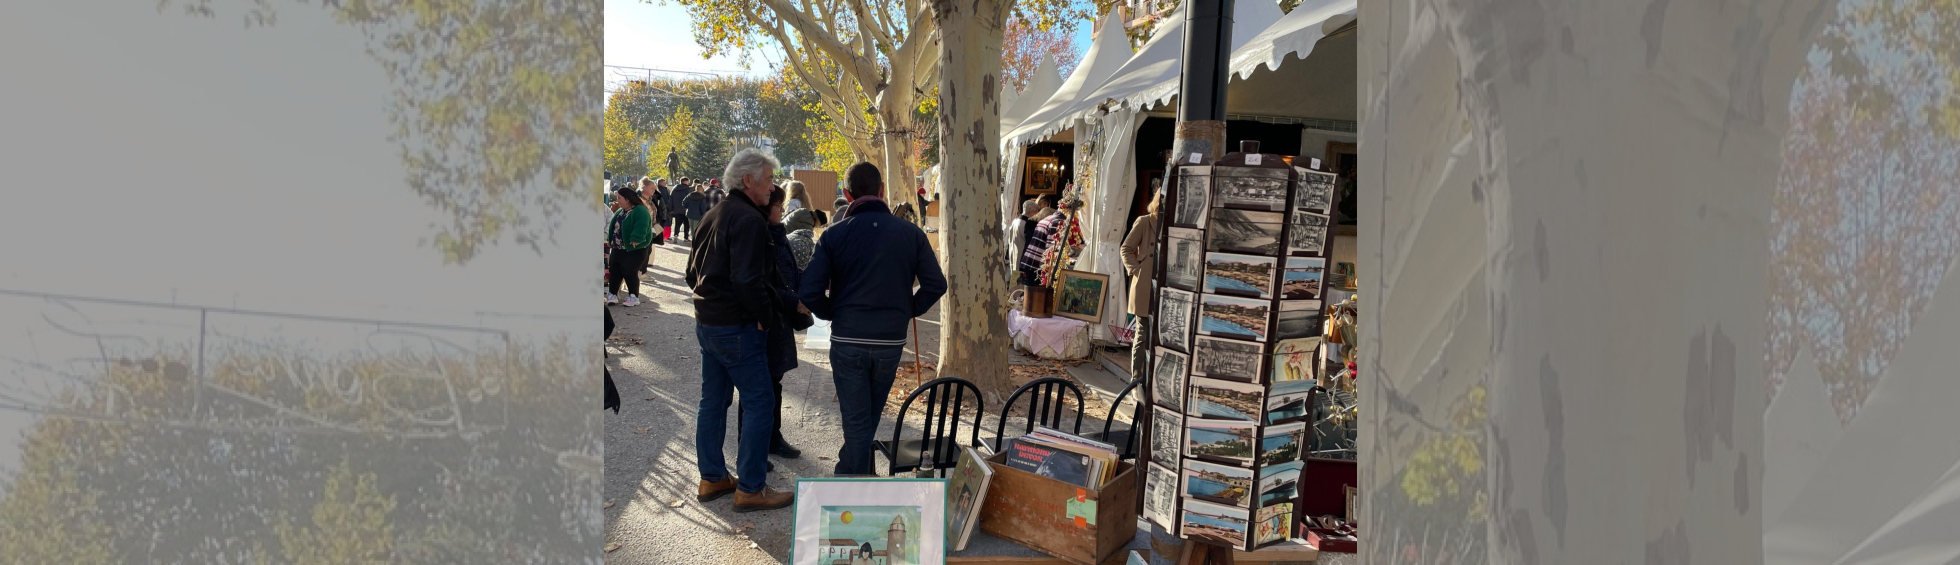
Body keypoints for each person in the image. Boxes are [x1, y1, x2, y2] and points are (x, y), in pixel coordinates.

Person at [798, 162, 947, 476]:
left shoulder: (834, 234)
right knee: (868, 415)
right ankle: (858, 474)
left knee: (857, 418)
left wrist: (832, 312)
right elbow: (936, 284)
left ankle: (850, 479)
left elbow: (809, 290)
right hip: (889, 341)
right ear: (881, 191)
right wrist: (906, 310)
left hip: (848, 338)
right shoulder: (911, 234)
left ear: (847, 194)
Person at [684, 148, 796, 512]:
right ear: (748, 180)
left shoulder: (714, 214)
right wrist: (763, 314)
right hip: (736, 326)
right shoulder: (748, 219)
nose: (772, 187)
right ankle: (750, 488)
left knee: (712, 402)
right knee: (760, 402)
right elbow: (748, 279)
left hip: (709, 323)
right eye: (767, 180)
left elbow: (691, 273)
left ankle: (712, 477)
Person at [734, 185, 806, 461]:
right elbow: (764, 282)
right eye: (779, 207)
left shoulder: (777, 233)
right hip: (765, 319)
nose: (783, 211)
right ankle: (752, 448)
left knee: (774, 383)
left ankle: (772, 438)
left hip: (778, 320)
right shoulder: (761, 234)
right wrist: (793, 300)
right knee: (756, 390)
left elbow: (787, 274)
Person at [1119, 189, 1163, 379]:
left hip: (1165, 284)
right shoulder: (1145, 221)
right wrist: (1136, 269)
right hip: (1145, 284)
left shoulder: (1174, 225)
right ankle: (1136, 380)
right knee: (1142, 333)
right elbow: (1126, 248)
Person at [606, 187, 654, 307]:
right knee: (615, 271)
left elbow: (642, 225)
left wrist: (636, 238)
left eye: (619, 198)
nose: (617, 201)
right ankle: (612, 294)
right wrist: (610, 239)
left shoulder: (640, 210)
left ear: (627, 199)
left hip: (634, 249)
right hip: (618, 247)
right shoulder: (621, 211)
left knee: (629, 272)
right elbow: (614, 226)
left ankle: (633, 296)